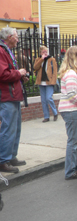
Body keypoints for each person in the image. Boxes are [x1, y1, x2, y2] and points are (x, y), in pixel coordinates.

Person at [0, 27, 28, 173]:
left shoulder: (6, 50)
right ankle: (3, 160)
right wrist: (18, 73)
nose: (18, 39)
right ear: (9, 37)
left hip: (13, 95)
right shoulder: (1, 51)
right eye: (16, 36)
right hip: (6, 96)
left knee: (15, 128)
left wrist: (20, 75)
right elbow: (3, 74)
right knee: (8, 129)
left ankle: (11, 156)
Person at [58, 46, 77, 180]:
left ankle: (74, 166)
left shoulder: (71, 72)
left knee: (73, 140)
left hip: (71, 110)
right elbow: (71, 95)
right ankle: (70, 171)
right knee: (73, 142)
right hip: (71, 110)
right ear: (74, 58)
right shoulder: (71, 74)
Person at [34, 45, 59, 123]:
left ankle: (55, 113)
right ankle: (46, 116)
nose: (45, 53)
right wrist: (42, 59)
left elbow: (55, 71)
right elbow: (35, 67)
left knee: (49, 98)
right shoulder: (38, 59)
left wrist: (53, 81)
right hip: (41, 82)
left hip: (49, 82)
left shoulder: (51, 59)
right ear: (40, 53)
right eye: (43, 52)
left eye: (46, 52)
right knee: (43, 100)